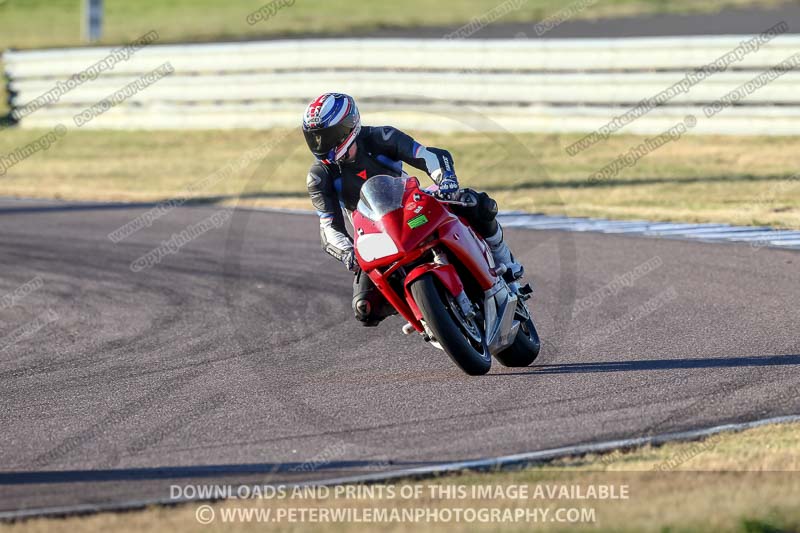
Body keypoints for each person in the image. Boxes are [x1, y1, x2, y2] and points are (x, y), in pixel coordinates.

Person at [302, 92, 524, 327]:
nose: (320, 144)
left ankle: (505, 262)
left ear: (349, 126)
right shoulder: (319, 176)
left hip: (411, 205)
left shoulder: (381, 137)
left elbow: (426, 156)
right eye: (314, 138)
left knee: (476, 203)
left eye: (326, 136)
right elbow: (328, 228)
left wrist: (446, 180)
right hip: (373, 233)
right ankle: (424, 313)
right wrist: (347, 252)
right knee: (364, 308)